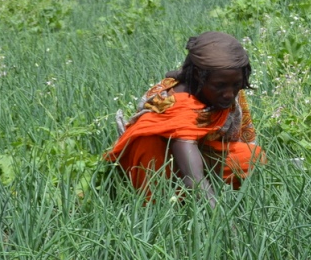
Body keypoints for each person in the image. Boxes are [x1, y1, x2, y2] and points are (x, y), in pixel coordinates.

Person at [106, 31, 265, 205]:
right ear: (198, 76)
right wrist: (223, 225)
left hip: (200, 154)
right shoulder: (177, 104)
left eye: (236, 84)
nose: (229, 94)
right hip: (162, 161)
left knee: (252, 158)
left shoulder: (224, 86)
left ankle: (193, 194)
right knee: (148, 143)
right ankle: (158, 205)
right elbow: (193, 179)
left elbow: (240, 139)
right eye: (219, 86)